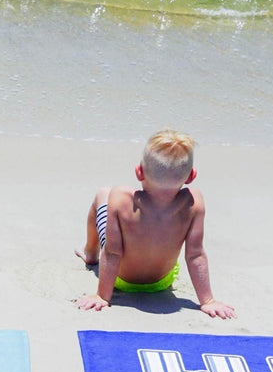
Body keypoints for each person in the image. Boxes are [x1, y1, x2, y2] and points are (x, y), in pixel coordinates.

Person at [74, 129, 234, 318]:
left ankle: (90, 253)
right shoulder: (194, 203)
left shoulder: (120, 197)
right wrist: (207, 301)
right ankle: (93, 255)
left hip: (121, 280)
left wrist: (102, 296)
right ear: (191, 176)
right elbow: (195, 255)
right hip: (161, 282)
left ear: (139, 171)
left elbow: (112, 252)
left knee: (102, 194)